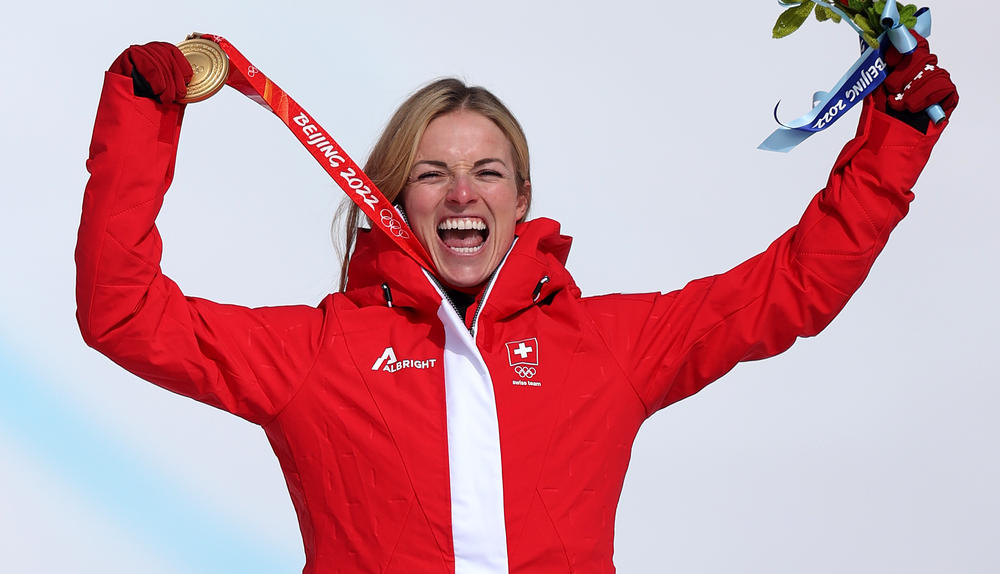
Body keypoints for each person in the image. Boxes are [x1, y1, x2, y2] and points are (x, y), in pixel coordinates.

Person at [76, 38, 957, 574]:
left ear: (522, 198)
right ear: (392, 196)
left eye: (486, 171)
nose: (462, 190)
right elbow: (121, 311)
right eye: (432, 171)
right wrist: (144, 116)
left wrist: (896, 141)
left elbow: (793, 287)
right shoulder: (320, 354)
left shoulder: (605, 346)